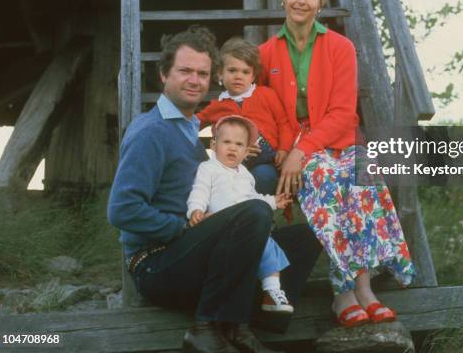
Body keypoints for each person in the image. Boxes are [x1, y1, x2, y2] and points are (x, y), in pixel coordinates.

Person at [108, 25, 322, 353]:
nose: (194, 80)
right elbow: (122, 210)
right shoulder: (152, 132)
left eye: (202, 73)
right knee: (253, 213)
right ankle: (208, 328)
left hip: (197, 255)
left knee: (307, 237)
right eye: (185, 71)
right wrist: (182, 226)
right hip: (157, 263)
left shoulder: (191, 130)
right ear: (164, 74)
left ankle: (245, 320)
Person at [259, 0, 416, 328]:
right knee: (325, 178)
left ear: (321, 3)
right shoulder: (265, 53)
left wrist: (305, 148)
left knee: (364, 177)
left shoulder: (340, 47)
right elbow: (259, 106)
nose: (301, 0)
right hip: (294, 145)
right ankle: (346, 292)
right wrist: (288, 149)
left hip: (337, 138)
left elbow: (344, 113)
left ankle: (363, 288)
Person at [187, 114, 294, 316]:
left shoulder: (245, 174)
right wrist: (196, 209)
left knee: (267, 242)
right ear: (214, 144)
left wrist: (273, 201)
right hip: (220, 225)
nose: (232, 148)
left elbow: (252, 198)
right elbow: (199, 190)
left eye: (239, 144)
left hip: (245, 227)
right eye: (226, 142)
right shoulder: (208, 168)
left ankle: (272, 291)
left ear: (246, 151)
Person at [197, 37, 294, 195]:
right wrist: (215, 149)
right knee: (224, 184)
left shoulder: (266, 94)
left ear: (253, 75)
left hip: (268, 160)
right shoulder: (217, 106)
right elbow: (193, 124)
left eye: (245, 72)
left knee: (264, 177)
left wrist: (284, 149)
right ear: (220, 73)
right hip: (234, 164)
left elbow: (284, 123)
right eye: (232, 70)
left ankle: (261, 212)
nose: (238, 76)